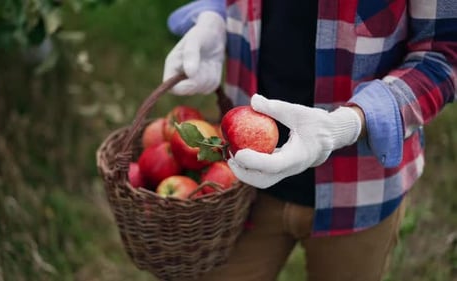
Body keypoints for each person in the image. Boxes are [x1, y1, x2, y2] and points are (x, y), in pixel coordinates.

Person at [162, 1, 457, 280]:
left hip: (360, 190)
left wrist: (349, 123)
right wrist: (213, 18)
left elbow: (441, 57)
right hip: (239, 179)